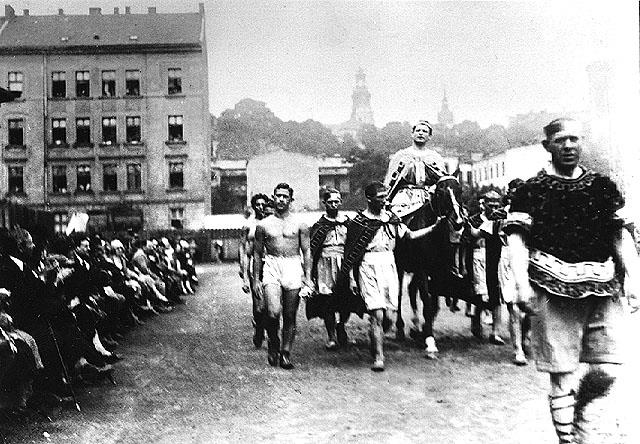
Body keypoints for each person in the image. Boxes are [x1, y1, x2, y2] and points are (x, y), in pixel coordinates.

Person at [505, 118, 639, 443]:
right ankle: (568, 437)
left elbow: (620, 234)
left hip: (602, 285)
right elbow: (517, 241)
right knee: (562, 375)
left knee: (608, 370)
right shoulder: (530, 190)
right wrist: (521, 284)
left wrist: (633, 278)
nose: (569, 146)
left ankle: (578, 410)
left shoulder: (602, 186)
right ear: (547, 146)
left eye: (574, 139)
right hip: (551, 288)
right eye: (561, 140)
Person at [338, 182, 446, 371]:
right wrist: (352, 278)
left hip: (389, 266)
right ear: (369, 199)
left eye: (385, 196)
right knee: (377, 313)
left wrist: (433, 228)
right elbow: (350, 253)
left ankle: (376, 337)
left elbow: (410, 236)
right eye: (380, 197)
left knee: (389, 314)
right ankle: (379, 357)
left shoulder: (393, 219)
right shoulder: (359, 222)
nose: (384, 200)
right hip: (368, 267)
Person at [252, 183, 312, 369]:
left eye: (285, 196)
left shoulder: (300, 224)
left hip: (292, 265)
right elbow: (256, 253)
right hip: (272, 265)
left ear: (291, 200)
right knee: (272, 312)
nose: (281, 199)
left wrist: (308, 277)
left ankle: (285, 353)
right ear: (273, 197)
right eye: (278, 196)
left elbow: (307, 251)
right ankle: (273, 342)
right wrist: (255, 279)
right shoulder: (264, 225)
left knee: (289, 314)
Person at [307, 188, 351, 350]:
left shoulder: (348, 222)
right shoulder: (319, 225)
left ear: (340, 202)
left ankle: (341, 324)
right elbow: (312, 250)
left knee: (346, 299)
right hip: (324, 265)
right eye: (330, 202)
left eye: (336, 201)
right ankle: (332, 336)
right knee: (327, 301)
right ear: (324, 203)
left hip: (344, 264)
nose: (333, 205)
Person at [384, 119, 448, 219]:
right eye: (418, 131)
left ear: (429, 136)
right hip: (404, 197)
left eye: (424, 131)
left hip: (429, 197)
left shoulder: (435, 157)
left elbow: (443, 181)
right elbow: (390, 180)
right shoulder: (401, 155)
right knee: (394, 221)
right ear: (412, 134)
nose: (421, 133)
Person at [467, 191, 506, 346]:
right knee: (479, 294)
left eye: (497, 205)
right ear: (484, 205)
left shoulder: (501, 220)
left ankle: (495, 332)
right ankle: (476, 321)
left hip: (494, 261)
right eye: (491, 205)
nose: (494, 208)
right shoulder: (474, 220)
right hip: (476, 259)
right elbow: (469, 239)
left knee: (496, 296)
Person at [240, 193, 270, 348]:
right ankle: (259, 327)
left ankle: (266, 329)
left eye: (263, 204)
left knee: (270, 303)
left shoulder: (271, 222)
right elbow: (245, 250)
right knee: (258, 306)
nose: (261, 207)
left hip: (271, 264)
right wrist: (244, 276)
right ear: (253, 206)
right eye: (257, 204)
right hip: (255, 266)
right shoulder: (248, 224)